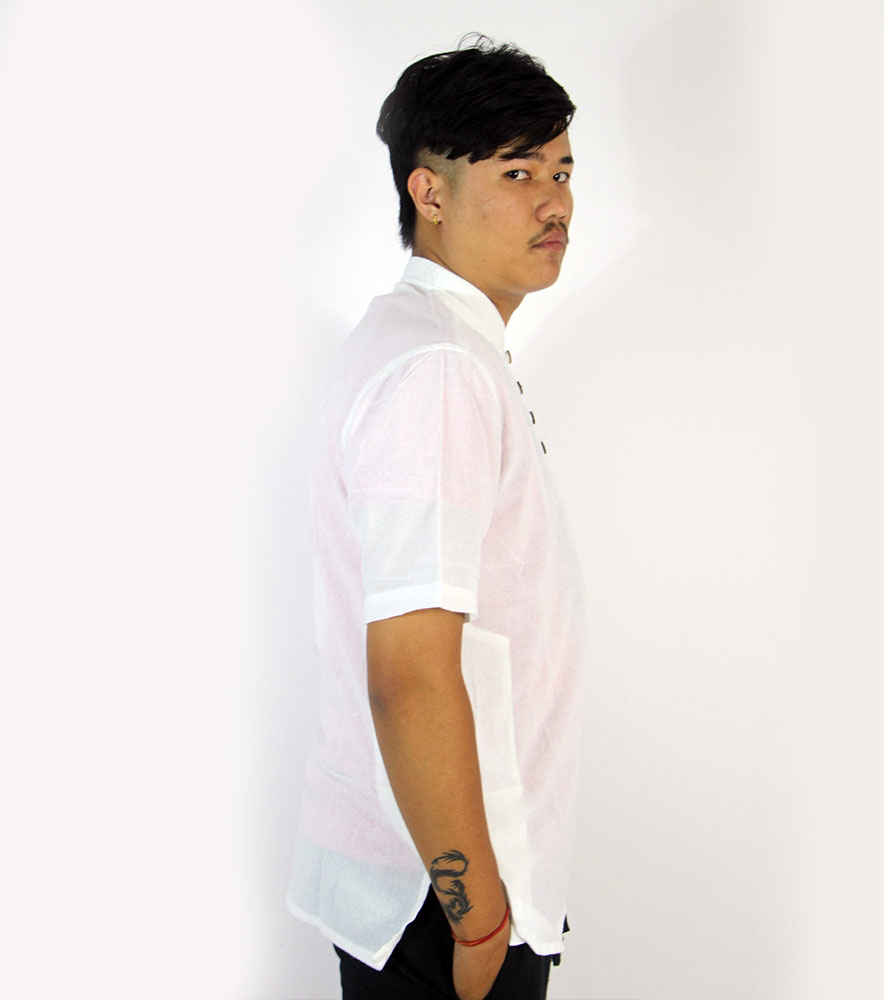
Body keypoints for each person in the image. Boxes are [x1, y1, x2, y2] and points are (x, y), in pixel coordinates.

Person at [286, 36, 585, 1000]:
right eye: (517, 171)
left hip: (431, 877)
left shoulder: (429, 345)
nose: (554, 202)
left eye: (562, 171)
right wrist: (480, 916)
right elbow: (409, 675)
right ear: (430, 193)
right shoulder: (438, 372)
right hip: (439, 895)